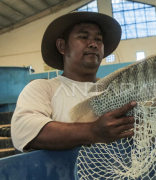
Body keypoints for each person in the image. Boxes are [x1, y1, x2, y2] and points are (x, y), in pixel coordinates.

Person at [11, 12, 136, 152]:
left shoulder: (117, 90)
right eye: (83, 37)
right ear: (62, 46)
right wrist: (92, 131)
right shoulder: (43, 88)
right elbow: (23, 130)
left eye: (99, 39)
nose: (94, 44)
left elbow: (136, 133)